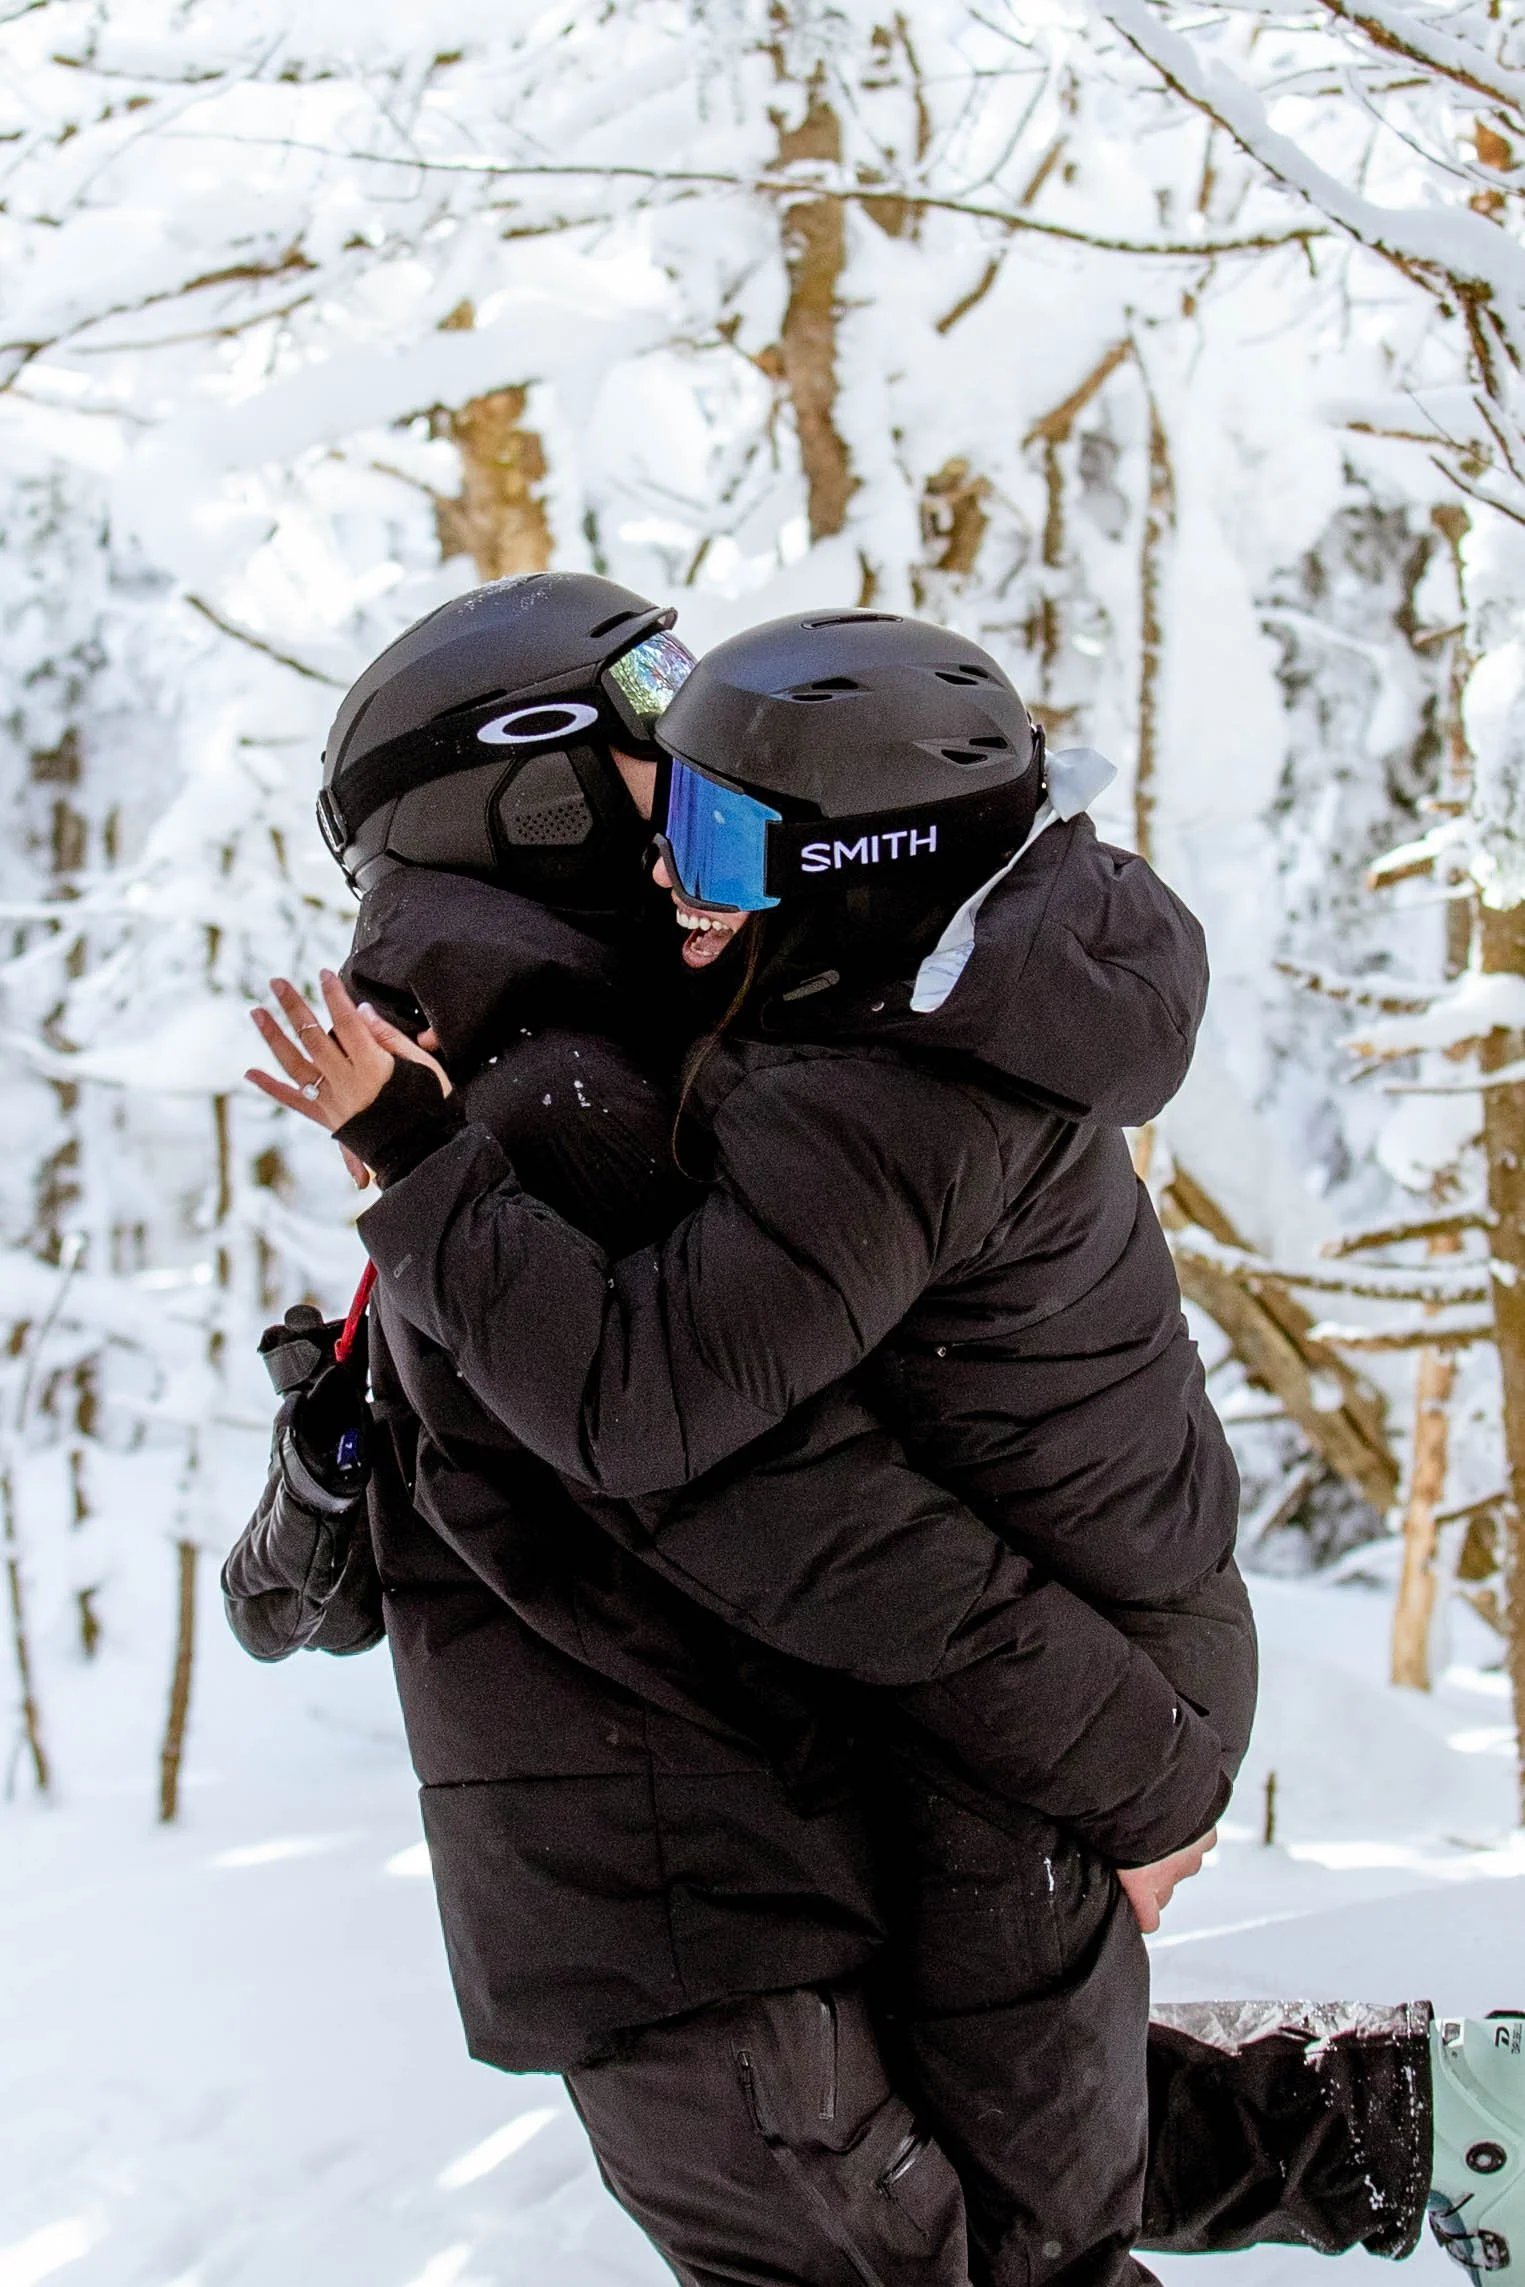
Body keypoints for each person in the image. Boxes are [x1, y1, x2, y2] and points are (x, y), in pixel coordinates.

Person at [237, 585, 1514, 2287]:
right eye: (654, 741)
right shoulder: (541, 1095)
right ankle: (1419, 2123)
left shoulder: (655, 1059)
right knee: (1032, 2194)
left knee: (1017, 2217)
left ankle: (1421, 2124)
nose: (697, 766)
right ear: (522, 790)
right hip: (700, 1885)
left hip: (744, 1879)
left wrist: (1124, 1762)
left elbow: (813, 1503)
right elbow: (721, 1492)